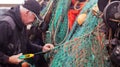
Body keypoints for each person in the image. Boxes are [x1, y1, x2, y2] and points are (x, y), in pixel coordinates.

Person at [0, 0, 54, 67]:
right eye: (34, 18)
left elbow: (27, 45)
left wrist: (42, 49)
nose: (34, 21)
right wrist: (8, 59)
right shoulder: (5, 24)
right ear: (27, 12)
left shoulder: (22, 24)